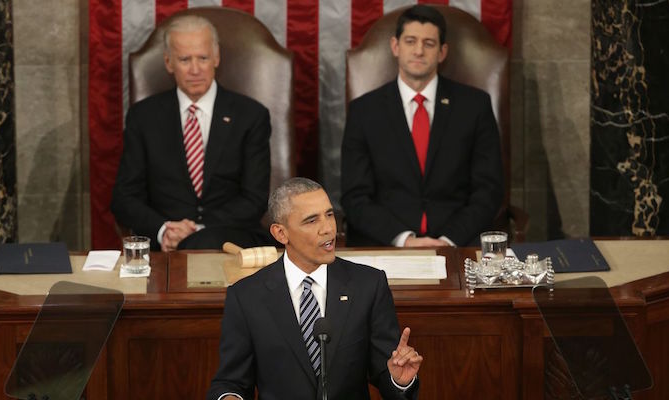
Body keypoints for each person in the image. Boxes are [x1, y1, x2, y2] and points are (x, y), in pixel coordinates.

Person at [207, 177, 422, 400]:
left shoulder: (368, 285)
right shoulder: (246, 296)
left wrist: (399, 381)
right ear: (281, 233)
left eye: (329, 215)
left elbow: (386, 374)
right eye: (311, 220)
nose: (328, 228)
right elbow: (230, 382)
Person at [341, 5, 504, 248]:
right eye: (410, 41)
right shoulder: (364, 111)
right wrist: (404, 240)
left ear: (442, 52)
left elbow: (488, 191)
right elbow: (355, 197)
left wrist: (448, 241)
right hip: (386, 244)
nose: (419, 51)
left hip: (459, 244)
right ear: (395, 46)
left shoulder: (475, 106)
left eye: (429, 43)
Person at [111, 15, 272, 251]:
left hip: (230, 240)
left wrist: (196, 231)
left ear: (216, 58)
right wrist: (164, 230)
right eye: (185, 59)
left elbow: (254, 199)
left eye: (203, 58)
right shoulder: (143, 117)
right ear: (168, 62)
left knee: (204, 244)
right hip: (165, 245)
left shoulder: (251, 115)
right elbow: (124, 198)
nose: (195, 69)